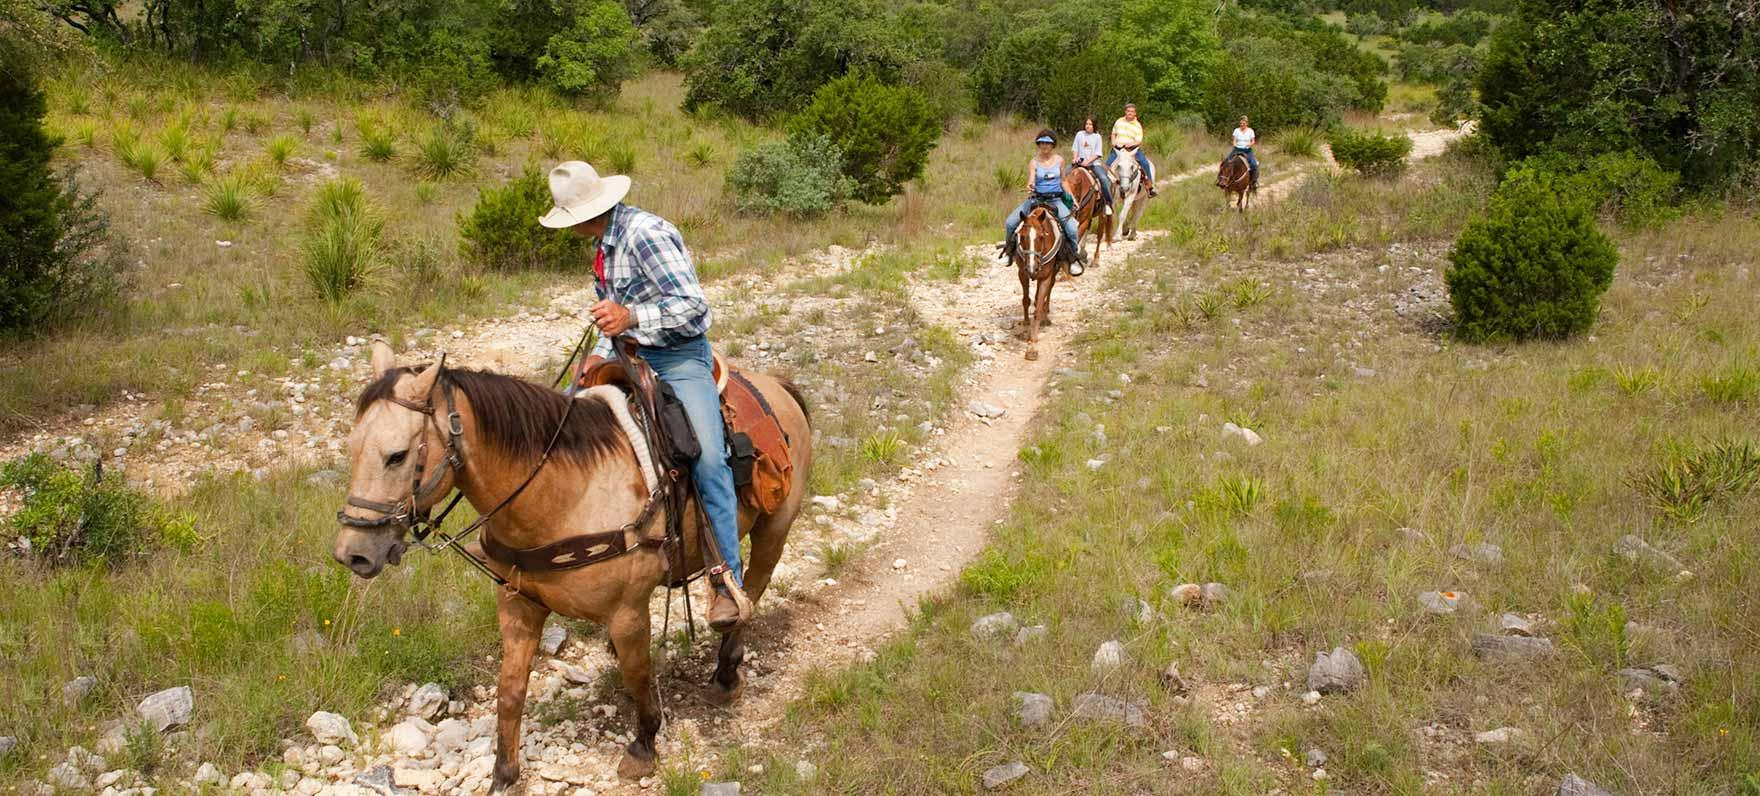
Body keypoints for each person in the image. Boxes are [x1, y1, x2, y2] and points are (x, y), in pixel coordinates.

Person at [539, 160, 750, 631]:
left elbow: (694, 308)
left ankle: (725, 580)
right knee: (564, 430)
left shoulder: (646, 234)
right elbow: (609, 318)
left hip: (678, 358)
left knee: (709, 459)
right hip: (626, 356)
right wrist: (597, 351)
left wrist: (631, 317)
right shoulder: (601, 246)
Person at [999, 129, 1089, 276]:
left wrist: (1072, 198)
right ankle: (1009, 253)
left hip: (1055, 199)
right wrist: (1030, 185)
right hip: (1037, 199)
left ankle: (1073, 259)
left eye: (1048, 143)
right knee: (1010, 223)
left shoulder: (1059, 160)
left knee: (1072, 228)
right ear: (1038, 145)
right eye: (1042, 143)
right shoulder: (1034, 162)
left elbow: (1063, 181)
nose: (1045, 146)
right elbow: (1031, 178)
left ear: (1053, 145)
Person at [1105, 103, 1158, 197]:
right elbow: (1113, 133)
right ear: (1125, 112)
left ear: (1135, 113)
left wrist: (1130, 144)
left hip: (1132, 150)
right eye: (1128, 111)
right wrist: (1113, 142)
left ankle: (1150, 186)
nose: (1130, 113)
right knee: (1107, 165)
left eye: (1132, 111)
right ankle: (1105, 187)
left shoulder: (1137, 125)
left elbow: (1138, 140)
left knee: (1144, 163)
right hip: (1118, 149)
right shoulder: (1119, 121)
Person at [1071, 116, 1112, 215]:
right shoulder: (1079, 134)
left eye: (1090, 124)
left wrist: (1088, 162)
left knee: (1104, 179)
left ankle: (1108, 203)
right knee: (1064, 176)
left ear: (1094, 126)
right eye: (1086, 124)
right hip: (1079, 164)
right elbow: (1075, 149)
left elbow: (1098, 154)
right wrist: (1074, 158)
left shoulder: (1097, 137)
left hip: (1094, 164)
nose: (1088, 126)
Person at [1226, 115, 1258, 187]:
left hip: (1247, 150)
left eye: (1243, 123)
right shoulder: (1236, 130)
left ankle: (1253, 181)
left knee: (1254, 164)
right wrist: (1234, 144)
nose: (1242, 125)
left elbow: (1253, 141)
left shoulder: (1250, 131)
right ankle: (1222, 179)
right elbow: (1234, 140)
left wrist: (1250, 144)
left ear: (1247, 123)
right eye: (1240, 123)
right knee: (1226, 162)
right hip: (1237, 149)